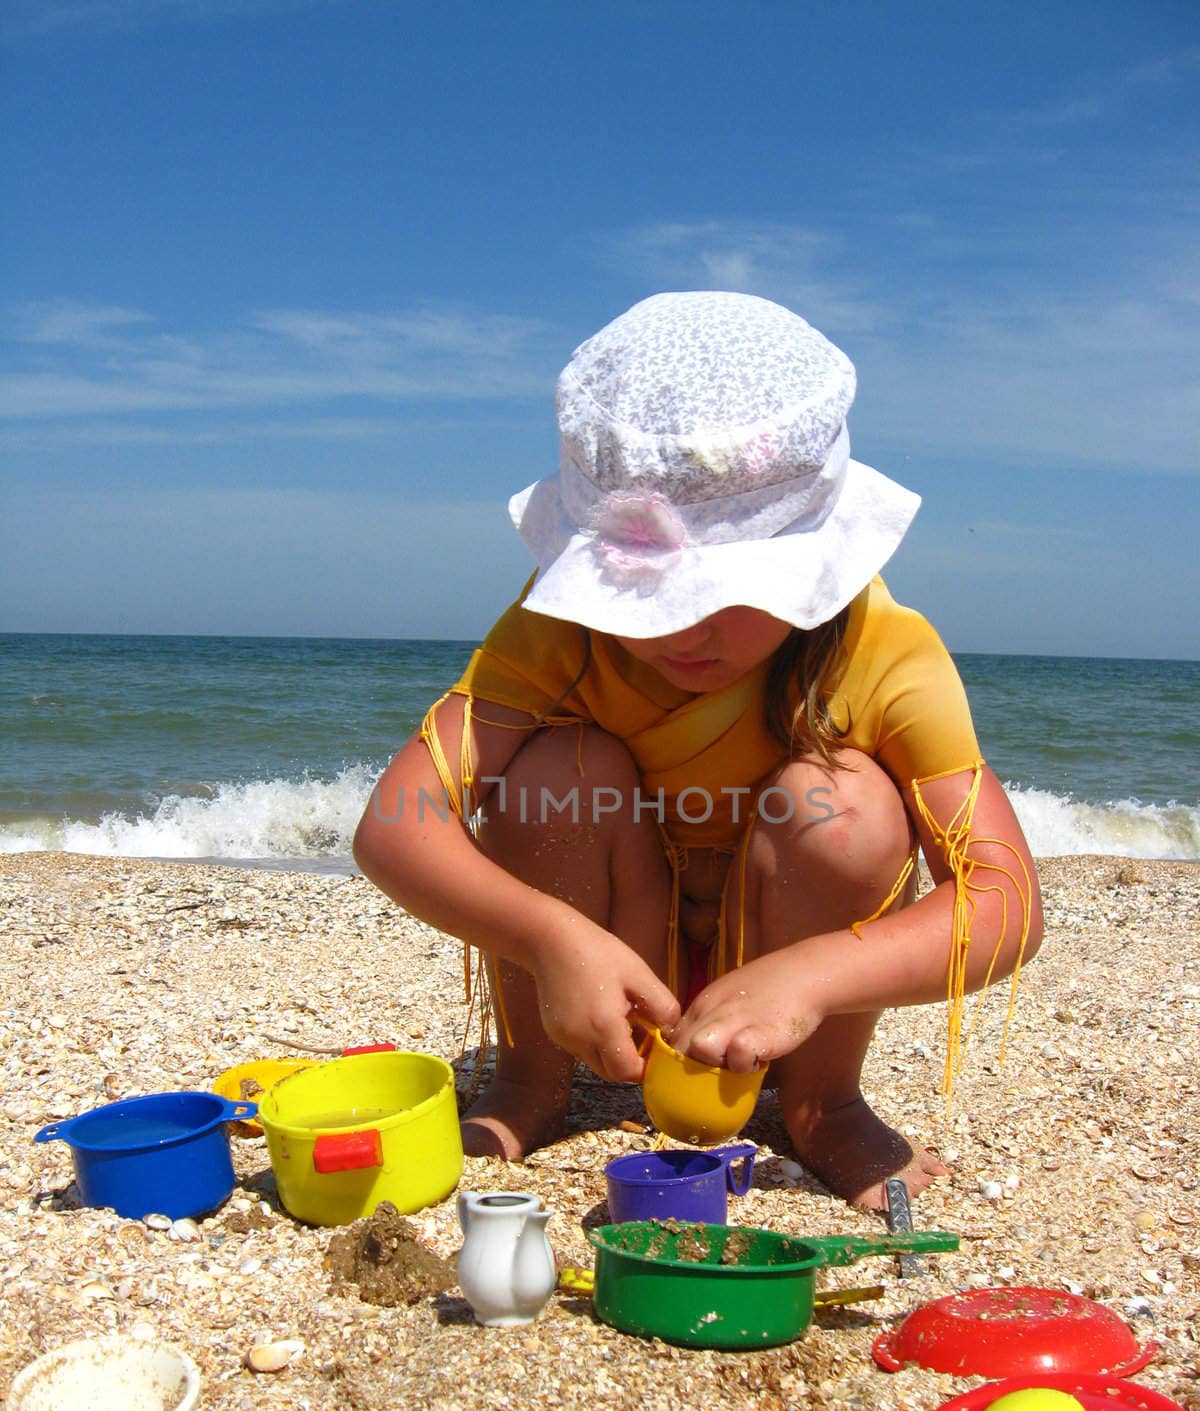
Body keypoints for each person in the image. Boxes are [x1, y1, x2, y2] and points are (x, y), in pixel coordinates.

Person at [353, 291, 1043, 1211]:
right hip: (609, 957)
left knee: (841, 803)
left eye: (729, 592)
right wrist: (553, 942)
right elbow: (396, 826)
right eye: (652, 595)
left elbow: (1005, 898)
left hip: (788, 966)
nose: (686, 628)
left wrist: (812, 974)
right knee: (558, 775)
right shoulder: (559, 631)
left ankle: (823, 1099)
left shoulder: (883, 648)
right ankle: (530, 1078)